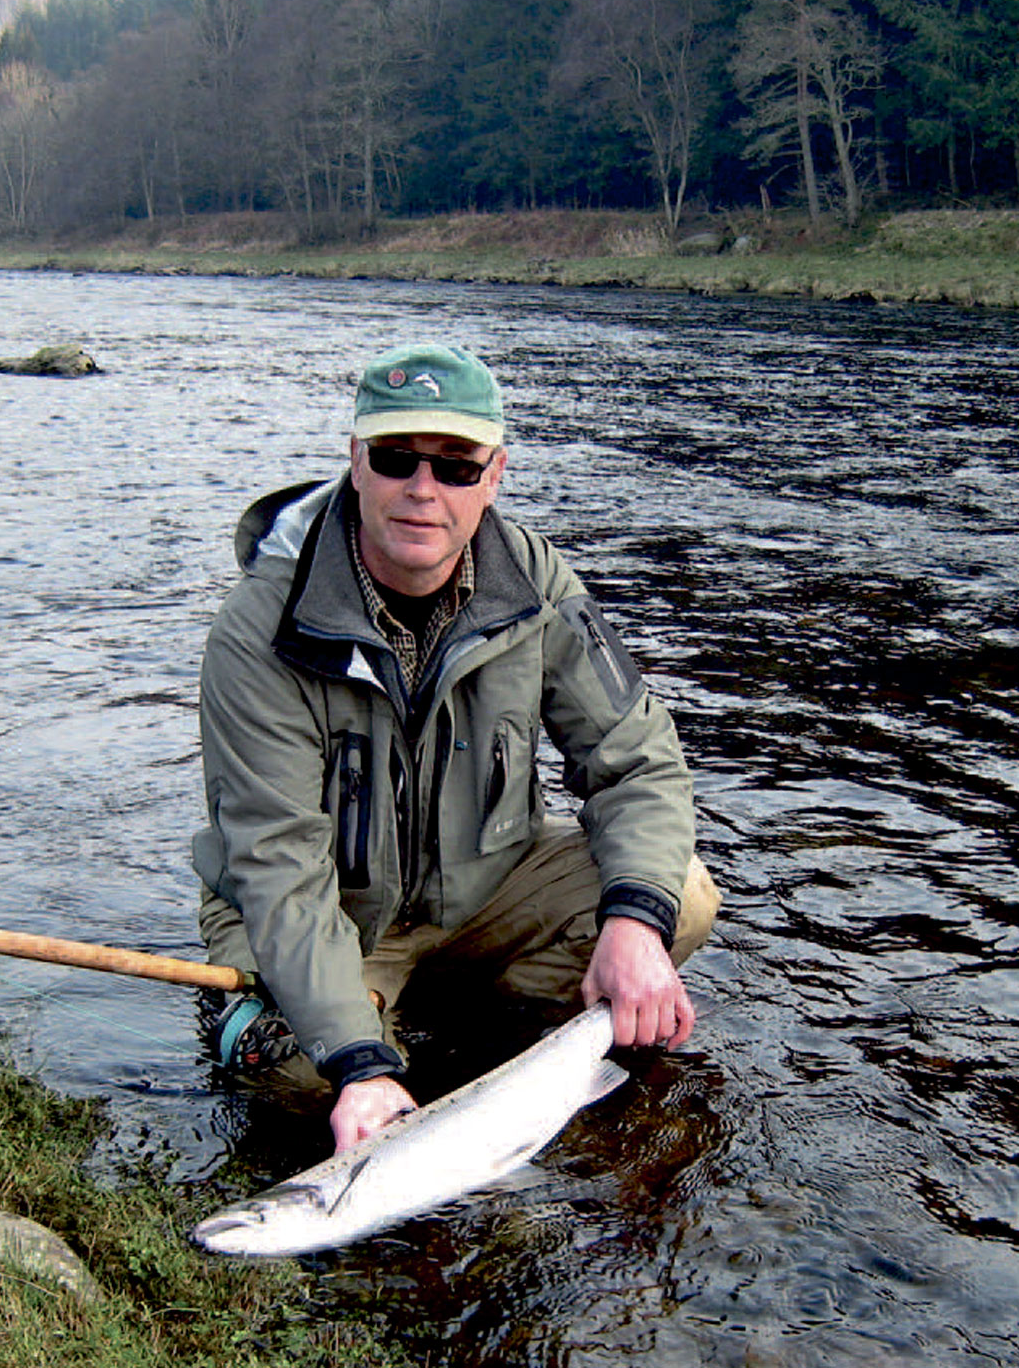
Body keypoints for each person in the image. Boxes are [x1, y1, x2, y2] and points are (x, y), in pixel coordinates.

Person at [193, 344, 720, 1152]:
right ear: (356, 462)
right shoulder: (261, 631)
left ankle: (477, 1008)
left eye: (455, 466)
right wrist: (358, 1059)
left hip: (479, 896)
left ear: (496, 474)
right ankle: (378, 1029)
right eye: (397, 457)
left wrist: (634, 926)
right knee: (302, 1075)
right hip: (330, 917)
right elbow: (280, 870)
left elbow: (636, 758)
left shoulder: (537, 586)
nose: (422, 489)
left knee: (674, 895)